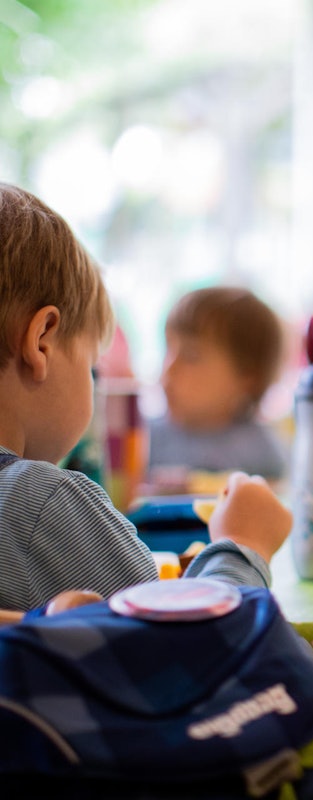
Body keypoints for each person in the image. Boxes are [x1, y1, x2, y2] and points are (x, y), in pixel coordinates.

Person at [0, 183, 291, 612]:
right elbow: (193, 640)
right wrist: (243, 545)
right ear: (41, 342)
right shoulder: (41, 503)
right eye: (91, 365)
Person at [146, 286, 287, 491]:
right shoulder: (146, 439)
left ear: (247, 377)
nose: (169, 369)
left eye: (191, 355)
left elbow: (275, 493)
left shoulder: (260, 450)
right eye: (169, 349)